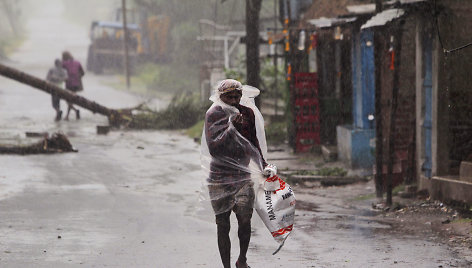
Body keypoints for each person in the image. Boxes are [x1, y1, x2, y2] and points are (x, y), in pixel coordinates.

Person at [201, 79, 276, 268]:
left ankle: (242, 260)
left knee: (245, 219)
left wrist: (263, 165)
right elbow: (214, 148)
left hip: (242, 177)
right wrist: (230, 128)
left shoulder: (247, 113)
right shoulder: (213, 115)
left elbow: (253, 144)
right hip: (219, 178)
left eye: (237, 96)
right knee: (223, 224)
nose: (234, 100)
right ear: (221, 97)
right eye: (229, 97)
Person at [61, 51, 84, 120]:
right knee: (70, 99)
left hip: (69, 84)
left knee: (68, 99)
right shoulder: (77, 62)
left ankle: (73, 112)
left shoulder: (64, 64)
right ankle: (69, 114)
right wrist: (77, 77)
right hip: (76, 84)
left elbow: (61, 71)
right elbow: (82, 73)